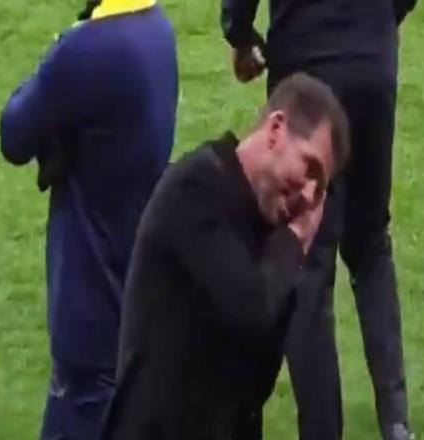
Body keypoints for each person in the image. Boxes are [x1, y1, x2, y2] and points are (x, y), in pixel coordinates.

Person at [99, 73, 350, 440]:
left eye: (321, 187)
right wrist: (294, 240)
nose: (310, 196)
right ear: (275, 129)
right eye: (309, 168)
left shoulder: (265, 227)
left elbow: (258, 380)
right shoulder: (195, 190)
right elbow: (250, 309)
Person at [221, 0, 418, 439]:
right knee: (370, 242)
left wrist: (240, 35)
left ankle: (322, 430)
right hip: (371, 62)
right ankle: (396, 420)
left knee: (308, 264)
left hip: (307, 68)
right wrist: (383, 20)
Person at [0, 1, 178, 439]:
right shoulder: (159, 30)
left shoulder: (85, 49)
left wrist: (61, 49)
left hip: (89, 297)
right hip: (136, 286)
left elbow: (14, 134)